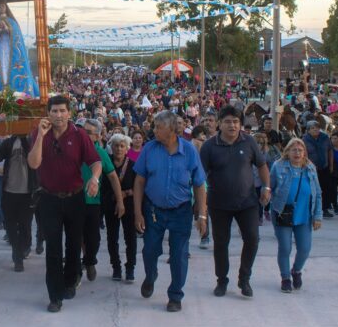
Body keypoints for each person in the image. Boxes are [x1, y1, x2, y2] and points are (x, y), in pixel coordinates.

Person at [28, 95, 101, 313]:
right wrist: (40, 136)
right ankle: (54, 294)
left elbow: (95, 161)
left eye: (62, 111)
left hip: (75, 197)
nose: (58, 115)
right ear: (48, 113)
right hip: (49, 198)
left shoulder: (79, 135)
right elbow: (34, 163)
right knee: (53, 247)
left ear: (69, 113)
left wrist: (94, 179)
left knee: (73, 243)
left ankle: (71, 279)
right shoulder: (38, 133)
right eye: (54, 111)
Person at [134, 111, 207, 312]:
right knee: (149, 250)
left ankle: (175, 295)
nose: (154, 130)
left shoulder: (190, 151)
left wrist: (201, 215)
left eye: (158, 127)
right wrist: (138, 213)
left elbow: (200, 184)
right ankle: (150, 276)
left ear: (172, 129)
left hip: (181, 211)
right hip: (154, 211)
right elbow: (139, 181)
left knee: (179, 255)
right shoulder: (149, 149)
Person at [200, 105, 269, 298]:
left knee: (252, 239)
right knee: (221, 243)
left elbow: (262, 165)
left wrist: (267, 187)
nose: (232, 125)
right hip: (219, 204)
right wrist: (201, 207)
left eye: (236, 122)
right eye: (228, 121)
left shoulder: (249, 142)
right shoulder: (209, 146)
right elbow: (200, 177)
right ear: (220, 124)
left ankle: (244, 278)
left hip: (247, 203)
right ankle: (222, 280)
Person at [269, 138, 323, 293]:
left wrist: (318, 215)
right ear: (287, 152)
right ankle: (285, 277)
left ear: (304, 152)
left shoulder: (310, 168)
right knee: (285, 247)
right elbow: (270, 188)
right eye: (294, 150)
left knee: (305, 248)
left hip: (304, 215)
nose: (297, 153)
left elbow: (318, 193)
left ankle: (296, 271)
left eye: (300, 150)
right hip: (282, 213)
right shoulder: (278, 166)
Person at [0, 133, 38, 272]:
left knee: (25, 225)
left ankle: (24, 246)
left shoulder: (32, 140)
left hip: (27, 192)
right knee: (10, 225)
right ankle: (17, 255)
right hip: (9, 191)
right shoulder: (8, 142)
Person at [79, 119, 124, 283]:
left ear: (97, 136)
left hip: (93, 203)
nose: (83, 134)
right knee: (76, 236)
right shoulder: (75, 149)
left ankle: (89, 260)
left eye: (88, 132)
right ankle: (78, 268)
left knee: (93, 239)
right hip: (74, 201)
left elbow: (113, 177)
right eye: (83, 131)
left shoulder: (101, 153)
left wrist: (120, 201)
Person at [106, 133, 137, 282]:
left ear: (127, 149)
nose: (119, 149)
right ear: (111, 147)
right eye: (116, 146)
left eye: (122, 146)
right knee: (112, 238)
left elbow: (139, 187)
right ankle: (116, 267)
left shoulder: (133, 165)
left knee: (130, 238)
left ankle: (130, 268)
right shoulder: (107, 163)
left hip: (129, 206)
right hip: (110, 206)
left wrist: (125, 193)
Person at [303, 121, 334, 219]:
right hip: (312, 169)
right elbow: (304, 154)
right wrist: (308, 166)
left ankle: (325, 208)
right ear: (308, 130)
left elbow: (330, 151)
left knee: (326, 188)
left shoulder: (325, 138)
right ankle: (312, 209)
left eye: (317, 127)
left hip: (324, 167)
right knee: (313, 189)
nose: (316, 129)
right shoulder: (305, 140)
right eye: (313, 128)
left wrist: (331, 165)